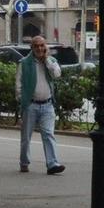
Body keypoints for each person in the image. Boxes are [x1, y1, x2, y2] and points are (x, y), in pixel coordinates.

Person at [18, 36, 64, 175]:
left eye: (42, 45)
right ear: (32, 48)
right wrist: (22, 100)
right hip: (30, 105)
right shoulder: (24, 63)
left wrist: (47, 60)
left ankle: (52, 164)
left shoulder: (51, 61)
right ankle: (24, 162)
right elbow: (18, 84)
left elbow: (56, 75)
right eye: (36, 46)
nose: (39, 48)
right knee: (26, 137)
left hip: (47, 105)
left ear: (45, 47)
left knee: (48, 134)